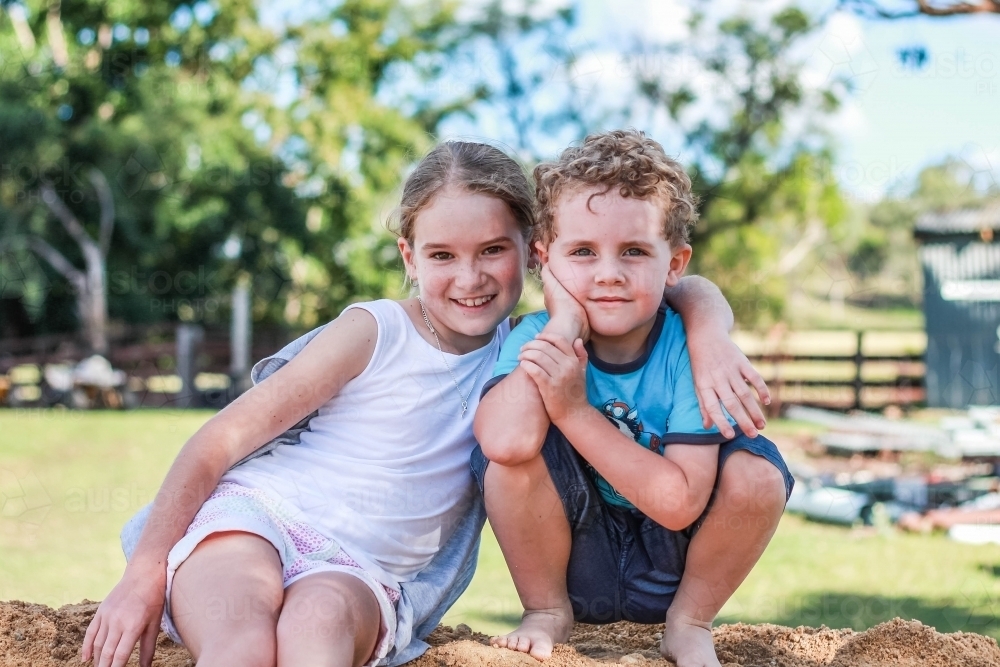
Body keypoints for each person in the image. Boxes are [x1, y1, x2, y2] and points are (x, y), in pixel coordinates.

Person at [82, 140, 770, 667]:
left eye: (493, 251)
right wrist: (143, 573)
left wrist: (709, 330)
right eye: (443, 255)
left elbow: (683, 284)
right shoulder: (374, 330)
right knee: (242, 644)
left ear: (533, 258)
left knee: (315, 635)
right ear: (409, 256)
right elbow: (221, 439)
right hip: (258, 518)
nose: (469, 278)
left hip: (357, 568)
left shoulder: (526, 350)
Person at [472, 130, 795, 667]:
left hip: (671, 559)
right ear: (544, 259)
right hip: (578, 550)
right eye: (581, 252)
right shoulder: (537, 335)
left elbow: (679, 504)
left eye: (634, 251)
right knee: (508, 463)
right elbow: (504, 441)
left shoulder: (689, 351)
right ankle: (546, 611)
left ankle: (689, 625)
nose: (608, 274)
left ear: (675, 264)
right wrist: (566, 322)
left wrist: (573, 411)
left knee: (759, 474)